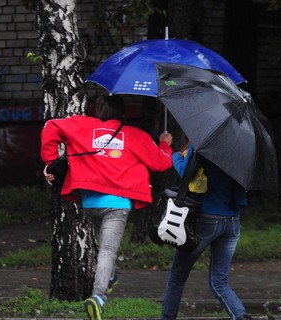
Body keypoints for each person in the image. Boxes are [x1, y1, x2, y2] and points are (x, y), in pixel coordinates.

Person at [40, 95, 173, 320]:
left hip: (89, 203)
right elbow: (161, 163)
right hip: (117, 204)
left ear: (99, 110)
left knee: (105, 250)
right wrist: (164, 145)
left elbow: (50, 126)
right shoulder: (135, 136)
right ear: (122, 113)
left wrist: (50, 162)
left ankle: (110, 277)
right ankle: (99, 297)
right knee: (108, 251)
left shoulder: (82, 126)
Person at [161, 143, 252, 320]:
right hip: (232, 221)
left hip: (205, 219)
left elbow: (186, 172)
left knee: (177, 278)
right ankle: (241, 316)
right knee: (219, 281)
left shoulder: (203, 142)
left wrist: (176, 156)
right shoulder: (241, 149)